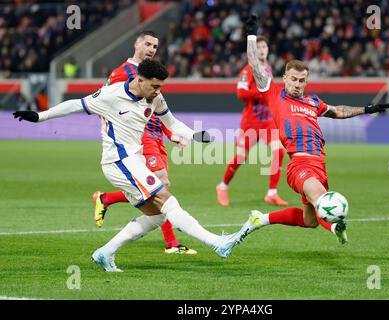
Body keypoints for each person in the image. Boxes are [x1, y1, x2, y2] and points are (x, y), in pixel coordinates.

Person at [13, 59, 247, 272]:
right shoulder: (110, 96)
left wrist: (195, 135)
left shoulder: (155, 97)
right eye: (154, 86)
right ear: (140, 79)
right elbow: (75, 104)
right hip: (118, 161)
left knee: (157, 217)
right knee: (166, 198)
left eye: (161, 87)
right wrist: (40, 116)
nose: (158, 91)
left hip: (134, 160)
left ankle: (105, 253)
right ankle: (217, 242)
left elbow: (172, 123)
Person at [236, 15, 389, 244]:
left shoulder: (312, 102)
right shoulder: (274, 93)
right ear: (285, 77)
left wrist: (367, 109)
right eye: (294, 79)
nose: (298, 85)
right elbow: (255, 65)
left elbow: (338, 111)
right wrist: (251, 35)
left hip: (319, 165)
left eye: (302, 81)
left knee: (310, 220)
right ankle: (336, 223)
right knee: (322, 199)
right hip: (299, 165)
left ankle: (262, 219)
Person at [92, 30, 197, 255]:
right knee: (161, 186)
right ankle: (172, 243)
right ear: (136, 45)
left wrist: (171, 134)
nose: (151, 49)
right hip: (141, 137)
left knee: (158, 188)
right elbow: (103, 101)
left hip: (156, 135)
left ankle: (106, 198)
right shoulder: (122, 73)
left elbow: (160, 111)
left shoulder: (150, 72)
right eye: (148, 44)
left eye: (155, 46)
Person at [216, 35, 288, 207]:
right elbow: (240, 92)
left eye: (264, 47)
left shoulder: (268, 69)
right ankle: (222, 186)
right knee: (240, 157)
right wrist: (261, 93)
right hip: (251, 122)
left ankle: (272, 193)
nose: (262, 50)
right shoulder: (248, 70)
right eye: (259, 48)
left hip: (268, 121)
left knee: (279, 152)